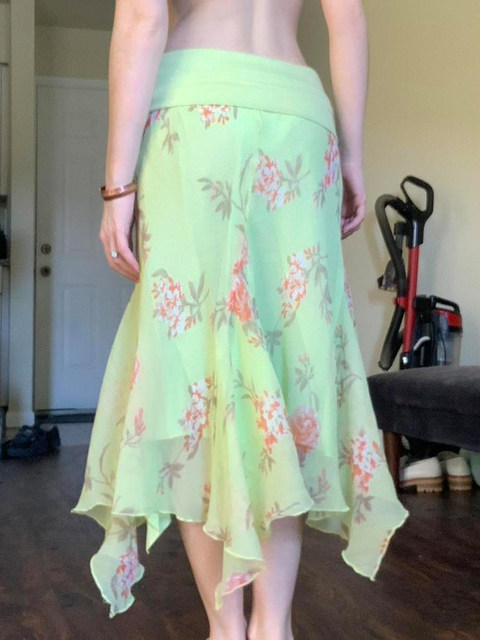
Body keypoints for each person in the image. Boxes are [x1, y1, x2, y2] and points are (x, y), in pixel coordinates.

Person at [71, 2, 410, 639]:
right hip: (300, 116)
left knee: (196, 372)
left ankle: (227, 629)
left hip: (196, 110)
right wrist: (353, 157)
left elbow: (142, 16)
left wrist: (117, 186)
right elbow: (347, 19)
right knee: (288, 370)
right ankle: (273, 626)